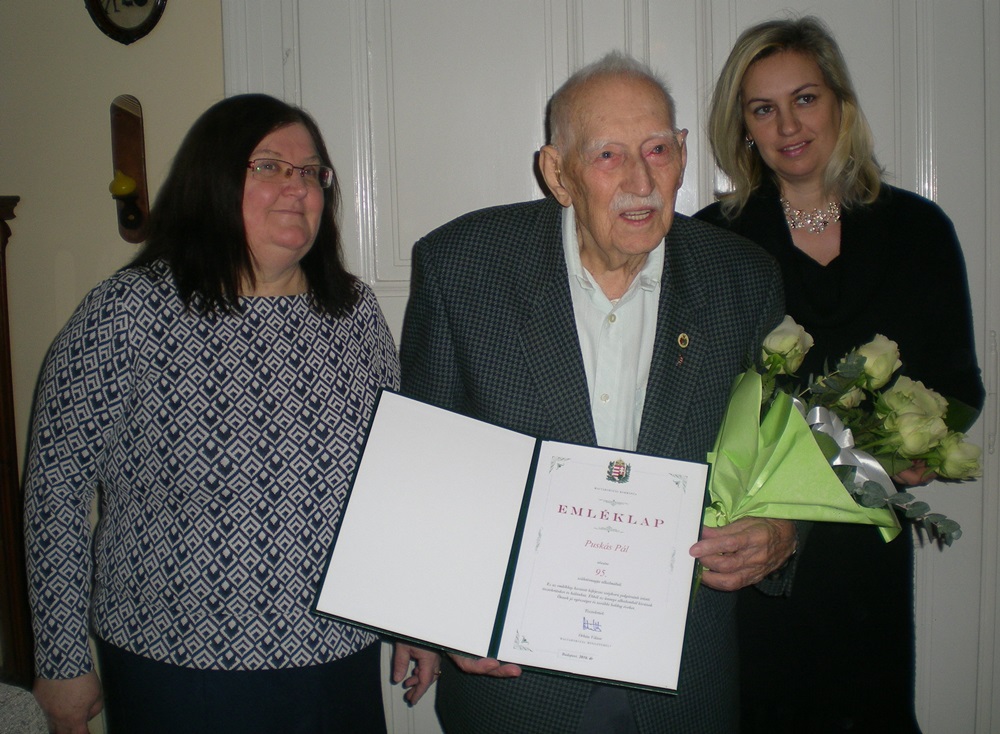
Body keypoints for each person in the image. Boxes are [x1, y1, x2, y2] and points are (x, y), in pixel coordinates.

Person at [394, 51, 798, 733]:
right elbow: (422, 471)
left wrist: (783, 532)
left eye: (658, 150)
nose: (641, 181)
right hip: (515, 682)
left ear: (682, 154)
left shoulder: (743, 279)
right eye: (609, 155)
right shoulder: (463, 267)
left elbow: (781, 454)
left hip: (682, 680)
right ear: (558, 173)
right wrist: (434, 615)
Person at [24, 94, 433, 734]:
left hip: (336, 656)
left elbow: (394, 475)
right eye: (269, 166)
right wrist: (61, 659)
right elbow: (56, 486)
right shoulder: (128, 312)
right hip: (175, 664)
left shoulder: (352, 314)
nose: (297, 186)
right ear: (212, 181)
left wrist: (414, 614)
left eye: (311, 172)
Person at [695, 16, 985, 733]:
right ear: (743, 128)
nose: (788, 125)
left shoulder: (918, 231)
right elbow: (693, 401)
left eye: (805, 98)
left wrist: (922, 443)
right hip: (756, 555)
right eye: (763, 109)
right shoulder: (714, 241)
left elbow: (957, 384)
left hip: (862, 551)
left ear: (840, 104)